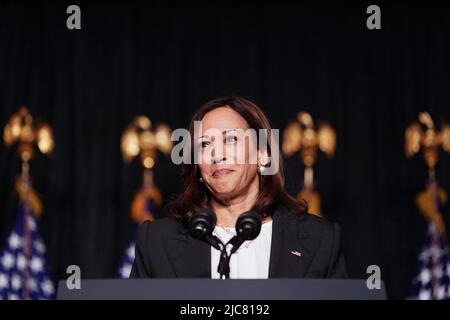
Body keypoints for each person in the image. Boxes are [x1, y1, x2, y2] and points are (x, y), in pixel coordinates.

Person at [130, 96, 347, 279]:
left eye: (231, 139)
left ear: (263, 154)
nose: (217, 154)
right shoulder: (156, 241)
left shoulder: (320, 239)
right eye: (205, 144)